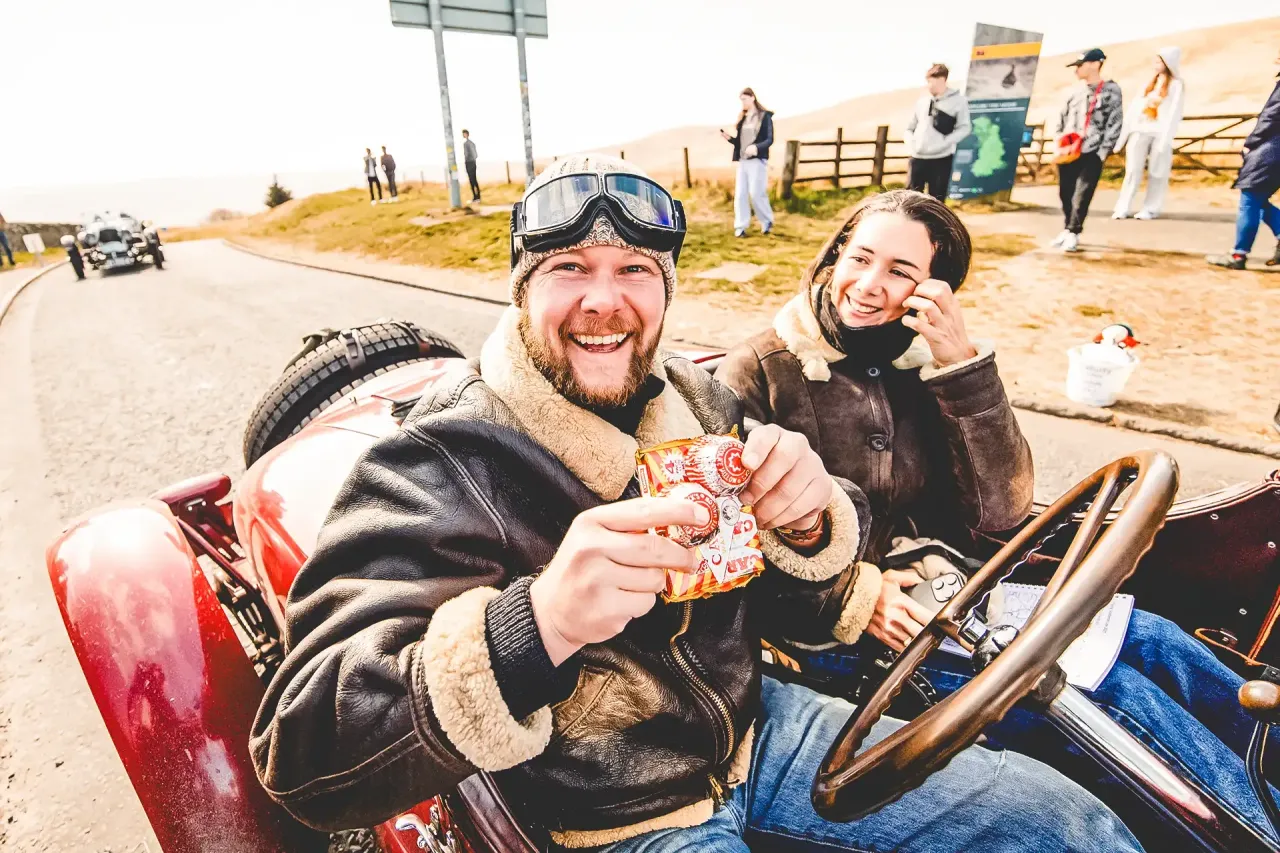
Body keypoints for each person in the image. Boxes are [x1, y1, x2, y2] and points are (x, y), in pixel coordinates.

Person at [250, 156, 1142, 853]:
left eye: (636, 269)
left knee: (1075, 827)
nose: (605, 300)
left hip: (762, 732)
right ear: (524, 289)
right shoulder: (440, 458)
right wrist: (538, 624)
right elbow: (303, 752)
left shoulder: (698, 401)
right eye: (569, 267)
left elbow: (798, 605)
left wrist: (807, 523)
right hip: (610, 819)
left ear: (665, 290)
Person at [717, 188, 1280, 840]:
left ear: (933, 290)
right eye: (860, 258)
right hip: (835, 638)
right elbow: (727, 543)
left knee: (1155, 640)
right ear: (834, 255)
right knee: (1115, 697)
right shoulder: (758, 371)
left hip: (955, 593)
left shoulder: (919, 361)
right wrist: (854, 594)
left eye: (899, 271)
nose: (869, 285)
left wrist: (962, 367)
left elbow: (1002, 507)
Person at [1208, 49, 1280, 270]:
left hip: (1270, 151)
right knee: (1259, 201)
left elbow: (1270, 117)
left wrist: (1250, 142)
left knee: (1250, 200)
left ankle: (1238, 255)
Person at [1051, 48, 1124, 253]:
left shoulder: (1111, 90)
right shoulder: (1073, 92)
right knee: (1065, 192)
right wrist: (1059, 141)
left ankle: (1074, 231)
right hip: (1068, 151)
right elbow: (1061, 117)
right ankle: (1067, 227)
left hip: (1092, 151)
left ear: (1094, 64)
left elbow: (1115, 121)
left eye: (1080, 65)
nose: (1076, 70)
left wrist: (1103, 151)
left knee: (1082, 194)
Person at [1113, 48, 1185, 221]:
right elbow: (1134, 108)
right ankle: (1123, 206)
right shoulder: (1148, 84)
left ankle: (1151, 208)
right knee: (1132, 170)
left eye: (1159, 61)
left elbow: (1175, 112)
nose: (1156, 65)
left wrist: (1166, 137)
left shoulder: (1176, 85)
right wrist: (1123, 137)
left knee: (1158, 172)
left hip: (1160, 133)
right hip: (1140, 130)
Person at [904, 63, 971, 201]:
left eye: (933, 82)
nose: (930, 86)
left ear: (943, 80)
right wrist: (911, 143)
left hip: (941, 159)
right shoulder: (922, 102)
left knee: (937, 200)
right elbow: (909, 127)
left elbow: (965, 127)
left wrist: (945, 142)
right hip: (917, 158)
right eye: (928, 82)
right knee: (910, 200)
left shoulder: (959, 101)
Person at [720, 88, 774, 238]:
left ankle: (766, 221)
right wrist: (729, 138)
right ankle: (740, 227)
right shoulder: (743, 118)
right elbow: (739, 143)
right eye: (741, 100)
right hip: (743, 162)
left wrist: (756, 147)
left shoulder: (764, 117)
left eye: (744, 99)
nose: (742, 102)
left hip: (757, 161)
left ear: (752, 98)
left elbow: (769, 139)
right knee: (740, 195)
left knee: (757, 193)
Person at [463, 129, 480, 202]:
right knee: (474, 180)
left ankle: (476, 197)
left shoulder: (466, 144)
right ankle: (477, 196)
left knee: (472, 180)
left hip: (469, 163)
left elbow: (467, 154)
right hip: (473, 163)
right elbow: (476, 155)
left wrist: (468, 160)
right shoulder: (472, 143)